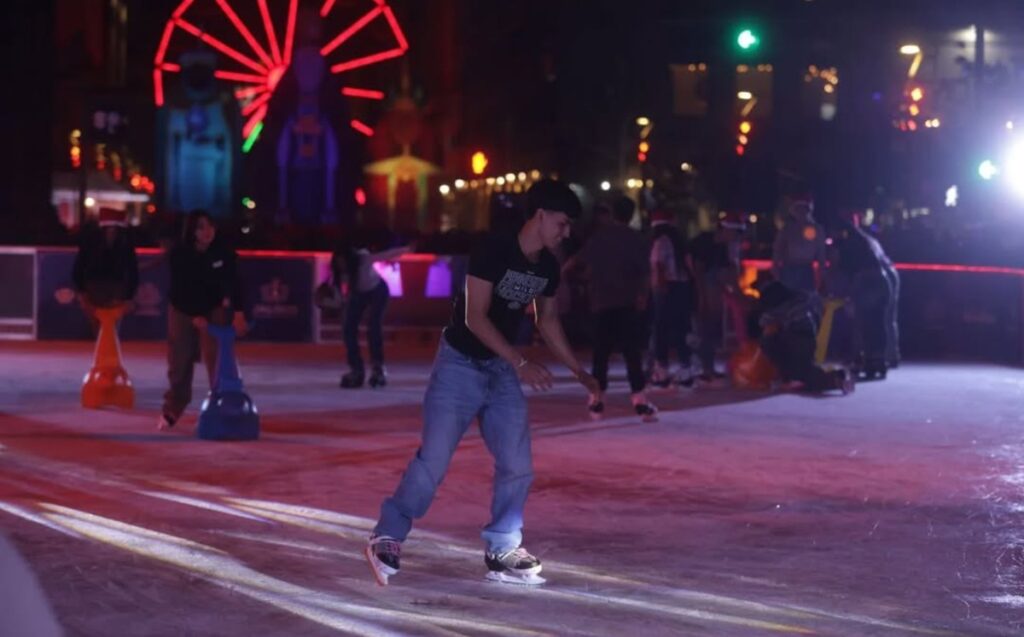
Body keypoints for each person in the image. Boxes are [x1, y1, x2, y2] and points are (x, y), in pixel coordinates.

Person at [364, 179, 599, 586]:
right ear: (540, 215)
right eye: (561, 223)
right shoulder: (494, 248)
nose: (566, 232)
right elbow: (475, 316)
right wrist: (520, 361)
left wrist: (579, 371)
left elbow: (547, 320)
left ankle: (502, 546)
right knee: (434, 460)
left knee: (517, 463)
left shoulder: (546, 266)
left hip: (501, 371)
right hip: (459, 366)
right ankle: (387, 534)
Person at [159, 210, 248, 430]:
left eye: (210, 226)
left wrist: (239, 312)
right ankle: (174, 407)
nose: (207, 231)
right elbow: (180, 288)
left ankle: (222, 402)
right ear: (192, 231)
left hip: (214, 308)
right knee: (179, 360)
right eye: (200, 227)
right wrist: (195, 315)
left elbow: (235, 283)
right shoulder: (180, 254)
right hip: (183, 308)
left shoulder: (223, 252)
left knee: (217, 356)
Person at [570, 195, 656, 420]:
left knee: (601, 353)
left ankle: (596, 399)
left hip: (601, 302)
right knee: (632, 353)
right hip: (627, 302)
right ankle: (639, 398)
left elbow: (579, 261)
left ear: (612, 213)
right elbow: (645, 272)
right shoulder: (635, 239)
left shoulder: (600, 238)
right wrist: (643, 296)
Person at [751, 276, 853, 394]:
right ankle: (836, 377)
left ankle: (835, 380)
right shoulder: (804, 297)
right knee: (802, 368)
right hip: (810, 339)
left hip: (793, 341)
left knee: (801, 373)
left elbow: (765, 324)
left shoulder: (777, 308)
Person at [332, 241, 412, 388]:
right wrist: (336, 301)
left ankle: (378, 367)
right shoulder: (339, 270)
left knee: (374, 327)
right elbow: (340, 292)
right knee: (348, 328)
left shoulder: (362, 258)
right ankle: (356, 368)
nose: (341, 265)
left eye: (343, 261)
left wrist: (406, 249)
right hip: (358, 294)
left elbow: (384, 255)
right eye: (338, 262)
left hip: (377, 290)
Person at [834, 214, 891, 378]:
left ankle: (867, 361)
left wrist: (848, 295)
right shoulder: (867, 240)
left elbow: (848, 272)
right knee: (878, 323)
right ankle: (879, 360)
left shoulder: (848, 245)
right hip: (882, 280)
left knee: (865, 323)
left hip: (866, 282)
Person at [690, 218, 745, 383]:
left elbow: (724, 274)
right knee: (702, 327)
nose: (735, 238)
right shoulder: (704, 242)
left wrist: (732, 294)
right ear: (726, 230)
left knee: (711, 326)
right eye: (735, 234)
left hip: (710, 289)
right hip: (694, 287)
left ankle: (708, 367)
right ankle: (701, 367)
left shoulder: (722, 248)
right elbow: (697, 270)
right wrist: (702, 296)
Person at [648, 209, 696, 389]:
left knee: (661, 329)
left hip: (665, 288)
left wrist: (658, 288)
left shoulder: (660, 241)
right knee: (681, 329)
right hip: (682, 287)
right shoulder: (680, 242)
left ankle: (661, 371)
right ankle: (686, 369)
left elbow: (658, 265)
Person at [72, 208, 139, 323]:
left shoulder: (125, 243)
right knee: (99, 325)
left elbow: (132, 269)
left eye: (114, 229)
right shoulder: (91, 241)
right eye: (109, 229)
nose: (111, 232)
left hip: (114, 287)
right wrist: (81, 291)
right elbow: (80, 265)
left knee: (110, 325)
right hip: (96, 287)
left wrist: (129, 296)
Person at [772, 194, 827, 294]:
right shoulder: (787, 229)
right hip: (789, 269)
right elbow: (778, 249)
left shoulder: (817, 229)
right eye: (798, 208)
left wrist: (822, 275)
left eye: (803, 208)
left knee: (806, 298)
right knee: (789, 298)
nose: (800, 211)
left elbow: (821, 253)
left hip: (806, 270)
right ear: (793, 211)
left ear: (808, 210)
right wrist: (775, 267)